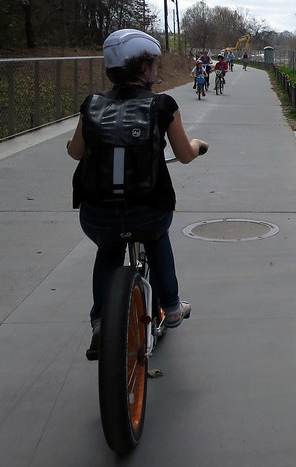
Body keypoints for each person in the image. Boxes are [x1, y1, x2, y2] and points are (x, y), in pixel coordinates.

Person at [67, 29, 209, 356]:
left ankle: (102, 322)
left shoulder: (92, 104)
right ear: (144, 69)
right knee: (156, 237)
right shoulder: (163, 105)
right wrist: (198, 145)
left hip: (97, 214)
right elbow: (185, 154)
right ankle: (171, 307)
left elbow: (76, 152)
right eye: (153, 64)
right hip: (148, 210)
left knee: (108, 250)